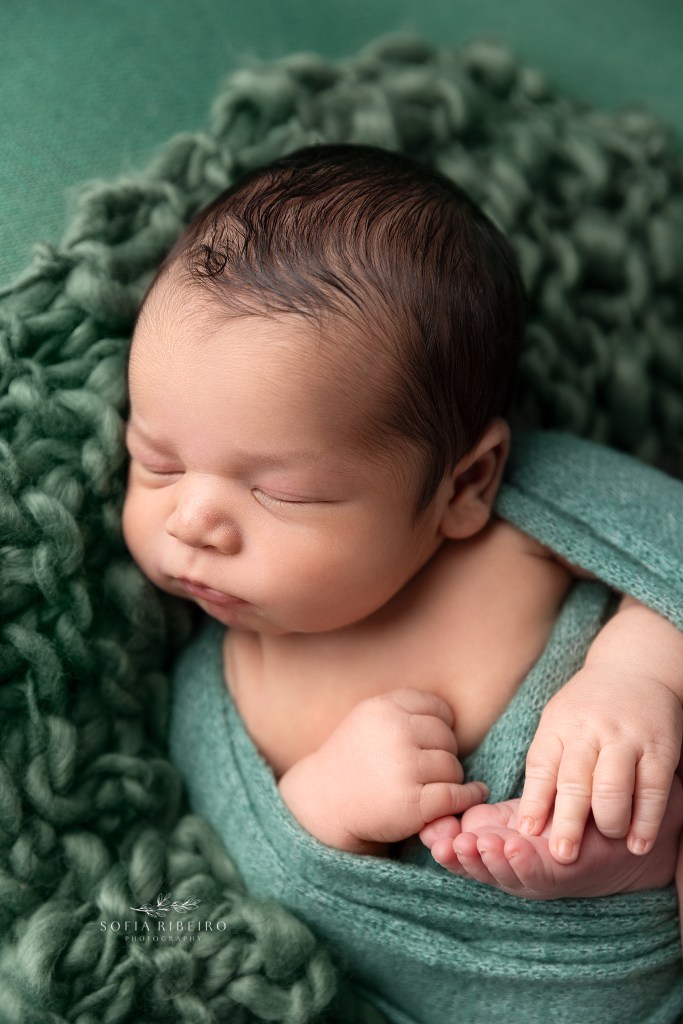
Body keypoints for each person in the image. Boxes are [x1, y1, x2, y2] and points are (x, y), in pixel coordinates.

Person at [122, 143, 683, 909]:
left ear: (466, 484)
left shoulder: (523, 527)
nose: (191, 523)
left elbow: (664, 551)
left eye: (282, 493)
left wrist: (635, 674)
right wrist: (324, 808)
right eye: (156, 462)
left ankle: (648, 850)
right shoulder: (226, 693)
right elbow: (240, 869)